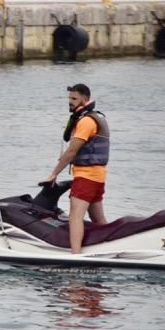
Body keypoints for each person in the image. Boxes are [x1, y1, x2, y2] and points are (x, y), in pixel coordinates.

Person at [43, 83, 110, 254]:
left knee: (75, 217)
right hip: (97, 177)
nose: (70, 102)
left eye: (74, 99)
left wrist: (54, 173)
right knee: (98, 218)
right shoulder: (97, 117)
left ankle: (76, 255)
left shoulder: (86, 121)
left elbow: (72, 151)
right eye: (69, 98)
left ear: (85, 99)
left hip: (86, 177)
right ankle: (113, 246)